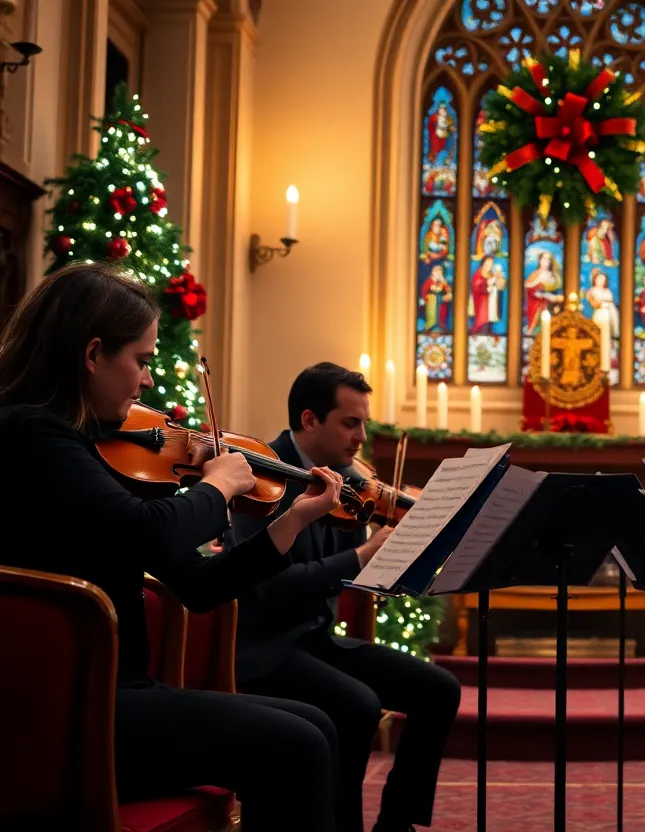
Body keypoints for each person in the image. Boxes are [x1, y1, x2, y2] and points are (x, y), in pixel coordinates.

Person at [0, 263, 348, 831]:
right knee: (302, 741)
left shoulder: (82, 448)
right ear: (92, 354)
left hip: (110, 696)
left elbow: (199, 586)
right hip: (73, 710)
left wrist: (294, 519)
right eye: (141, 359)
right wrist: (218, 485)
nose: (148, 382)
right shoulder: (30, 435)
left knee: (318, 723)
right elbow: (150, 530)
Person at [226, 362, 462, 832]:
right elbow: (272, 588)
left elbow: (345, 572)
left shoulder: (347, 480)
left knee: (440, 689)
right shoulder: (259, 476)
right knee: (356, 704)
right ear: (310, 420)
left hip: (317, 640)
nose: (361, 436)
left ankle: (396, 824)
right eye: (350, 422)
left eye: (364, 422)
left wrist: (392, 563)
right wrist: (360, 556)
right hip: (266, 648)